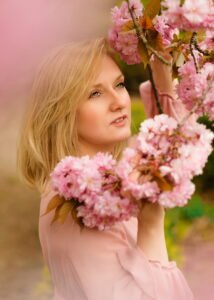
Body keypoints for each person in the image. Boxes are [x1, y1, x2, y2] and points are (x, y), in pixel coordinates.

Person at [17, 37, 194, 300]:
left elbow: (169, 145)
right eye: (95, 93)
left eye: (119, 84)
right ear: (61, 111)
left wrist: (162, 68)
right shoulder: (84, 203)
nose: (119, 101)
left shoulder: (102, 181)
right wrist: (152, 229)